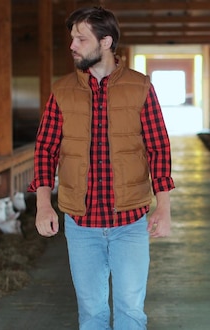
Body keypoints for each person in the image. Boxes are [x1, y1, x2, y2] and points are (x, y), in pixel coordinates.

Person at [27, 5, 175, 330]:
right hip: (81, 225)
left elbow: (158, 149)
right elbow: (45, 151)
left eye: (81, 39)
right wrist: (42, 205)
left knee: (131, 313)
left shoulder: (140, 87)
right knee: (92, 314)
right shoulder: (62, 92)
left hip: (130, 222)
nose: (72, 45)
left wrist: (163, 208)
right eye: (72, 38)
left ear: (105, 42)